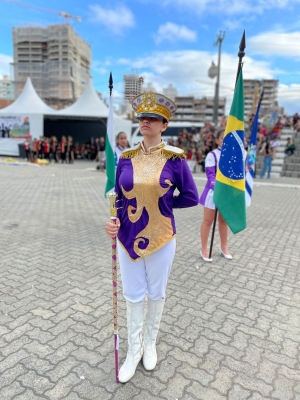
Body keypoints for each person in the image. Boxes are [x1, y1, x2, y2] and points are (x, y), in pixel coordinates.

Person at [105, 92, 198, 383]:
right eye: (142, 117)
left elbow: (192, 196)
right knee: (133, 295)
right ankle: (133, 350)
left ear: (163, 125)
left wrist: (164, 206)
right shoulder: (126, 158)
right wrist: (113, 220)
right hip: (127, 236)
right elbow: (117, 196)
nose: (145, 121)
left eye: (152, 118)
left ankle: (150, 344)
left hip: (162, 236)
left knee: (156, 293)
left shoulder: (175, 158)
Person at [199, 129, 232, 262]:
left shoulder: (233, 156)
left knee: (224, 221)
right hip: (213, 192)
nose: (225, 141)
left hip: (227, 193)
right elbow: (210, 175)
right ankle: (204, 248)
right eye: (223, 138)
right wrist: (217, 188)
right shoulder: (212, 155)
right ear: (218, 140)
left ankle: (224, 247)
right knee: (208, 221)